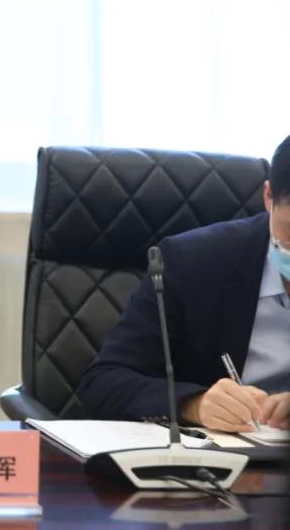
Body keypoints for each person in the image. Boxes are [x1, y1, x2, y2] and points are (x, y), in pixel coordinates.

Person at [79, 135, 290, 432]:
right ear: (268, 197)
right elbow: (103, 382)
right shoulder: (192, 261)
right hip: (220, 451)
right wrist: (193, 404)